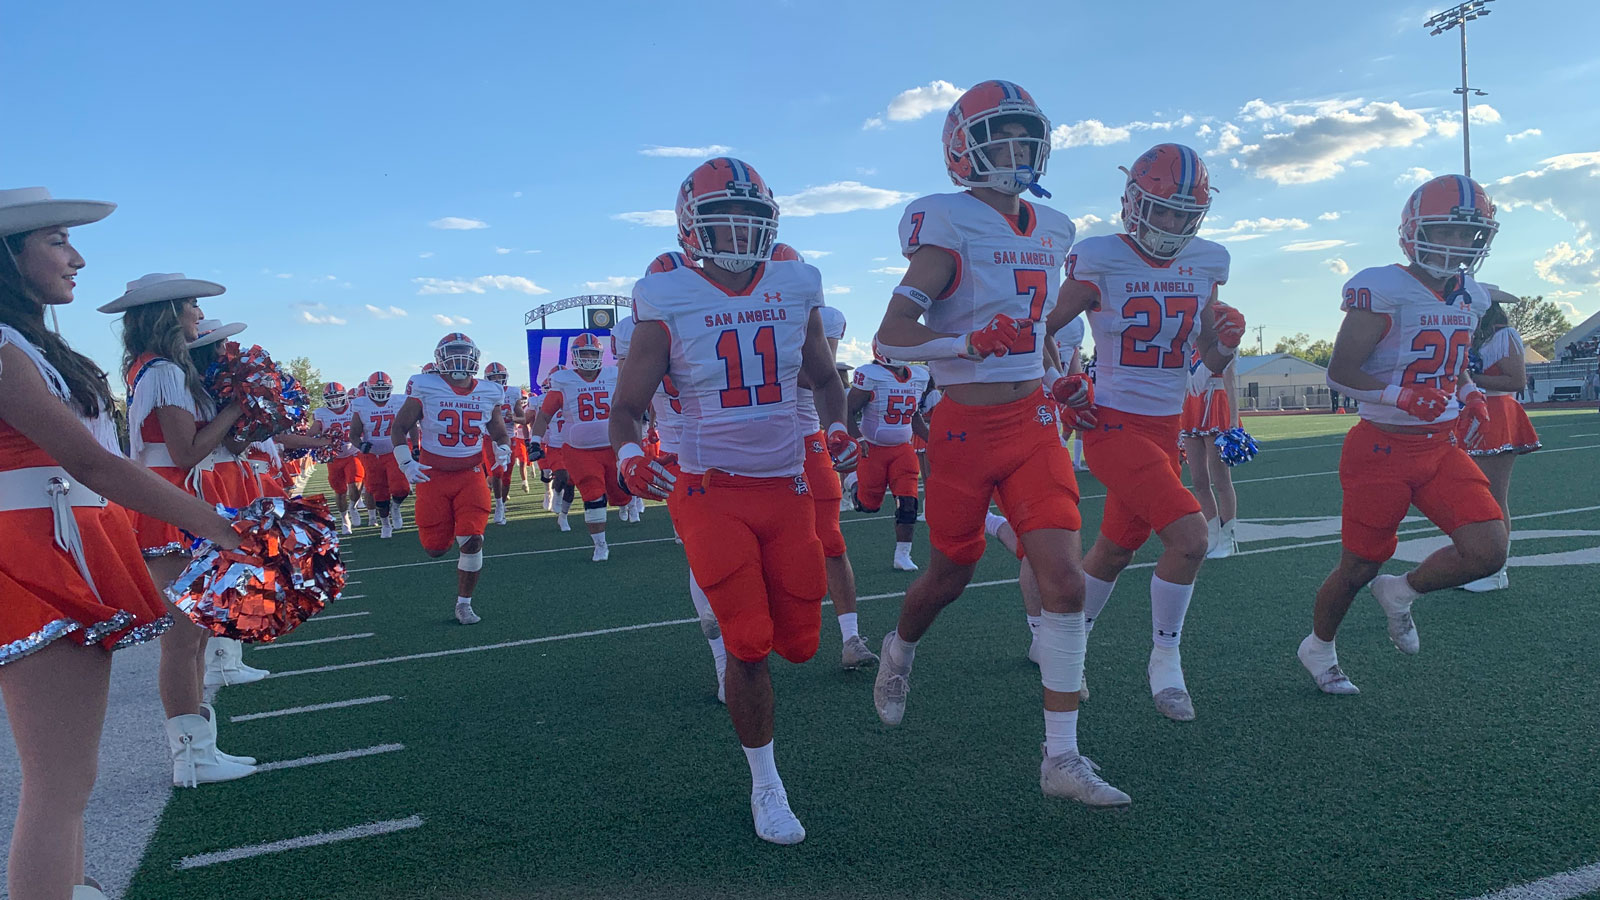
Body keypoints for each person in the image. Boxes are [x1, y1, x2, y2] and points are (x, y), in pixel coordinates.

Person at [870, 81, 1128, 807]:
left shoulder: (1054, 228)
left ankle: (1062, 757)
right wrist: (964, 343)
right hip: (962, 428)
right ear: (964, 150)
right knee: (948, 576)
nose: (1018, 151)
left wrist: (1061, 378)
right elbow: (890, 337)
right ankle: (899, 649)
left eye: (1026, 138)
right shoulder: (948, 224)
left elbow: (1034, 326)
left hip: (1033, 421)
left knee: (1065, 580)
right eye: (1001, 138)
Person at [0, 186, 246, 900]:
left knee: (68, 780)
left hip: (64, 536)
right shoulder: (4, 347)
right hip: (37, 548)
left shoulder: (26, 343)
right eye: (56, 241)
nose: (76, 257)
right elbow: (92, 462)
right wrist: (220, 526)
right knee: (59, 783)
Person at [612, 157, 858, 845]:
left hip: (787, 482)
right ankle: (766, 785)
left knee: (799, 642)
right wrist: (630, 457)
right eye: (724, 218)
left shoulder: (796, 283)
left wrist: (838, 428)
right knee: (749, 642)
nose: (740, 232)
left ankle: (738, 636)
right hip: (708, 485)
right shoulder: (665, 295)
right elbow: (627, 408)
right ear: (692, 227)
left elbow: (826, 379)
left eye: (751, 218)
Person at [1045, 143, 1244, 723]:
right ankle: (1165, 659)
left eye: (1185, 215)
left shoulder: (1206, 261)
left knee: (1114, 549)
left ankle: (1064, 647)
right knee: (1191, 538)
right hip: (1111, 423)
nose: (1173, 224)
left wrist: (1225, 343)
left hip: (1166, 426)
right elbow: (1038, 329)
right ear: (1134, 202)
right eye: (1163, 210)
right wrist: (1061, 384)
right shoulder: (1101, 256)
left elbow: (1207, 357)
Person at [1301, 174, 1507, 694]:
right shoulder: (1384, 288)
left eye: (1467, 234)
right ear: (1415, 231)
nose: (1457, 243)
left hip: (1440, 447)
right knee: (1359, 566)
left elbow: (1452, 365)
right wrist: (1402, 396)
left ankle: (1402, 591)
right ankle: (1319, 646)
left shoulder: (1472, 296)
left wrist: (1469, 393)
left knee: (1488, 549)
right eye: (1446, 231)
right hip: (1381, 448)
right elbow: (1340, 372)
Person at [106, 271, 261, 787]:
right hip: (169, 505)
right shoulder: (165, 371)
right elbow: (186, 452)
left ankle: (201, 748)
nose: (199, 313)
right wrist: (237, 407)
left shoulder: (152, 368)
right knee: (182, 636)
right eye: (191, 304)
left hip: (176, 500)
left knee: (194, 633)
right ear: (169, 313)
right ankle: (190, 757)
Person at [770, 243, 876, 670]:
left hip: (807, 435)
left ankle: (851, 638)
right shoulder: (732, 311)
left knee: (830, 539)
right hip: (758, 441)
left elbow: (821, 375)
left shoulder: (822, 316)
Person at [391, 333, 510, 625]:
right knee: (435, 548)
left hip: (471, 474)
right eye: (453, 352)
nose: (459, 358)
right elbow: (399, 428)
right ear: (440, 358)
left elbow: (498, 430)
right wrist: (406, 462)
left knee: (473, 539)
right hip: (432, 476)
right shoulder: (425, 385)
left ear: (475, 357)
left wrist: (503, 447)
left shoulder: (490, 391)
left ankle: (464, 604)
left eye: (464, 352)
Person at [1455, 290, 1540, 591]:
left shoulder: (1505, 336)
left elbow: (1517, 380)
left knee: (1493, 495)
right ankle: (1477, 562)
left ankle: (1496, 569)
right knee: (1471, 495)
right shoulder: (1468, 335)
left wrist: (1469, 380)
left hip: (1496, 413)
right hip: (1469, 414)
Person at [531, 333, 627, 561]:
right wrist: (535, 441)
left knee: (621, 495)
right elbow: (544, 415)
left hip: (611, 447)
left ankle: (625, 506)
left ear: (600, 355)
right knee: (593, 494)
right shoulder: (564, 381)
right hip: (579, 450)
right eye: (584, 353)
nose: (588, 358)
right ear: (575, 356)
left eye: (592, 353)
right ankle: (600, 545)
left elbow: (628, 405)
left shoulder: (613, 376)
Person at [847, 340, 930, 571]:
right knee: (868, 505)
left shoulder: (919, 376)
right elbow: (848, 410)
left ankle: (902, 555)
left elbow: (913, 415)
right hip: (873, 449)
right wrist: (859, 440)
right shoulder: (871, 375)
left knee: (908, 504)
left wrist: (932, 439)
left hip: (903, 450)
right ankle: (852, 481)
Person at [1181, 350, 1241, 558]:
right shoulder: (1189, 343)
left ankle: (1227, 539)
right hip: (1192, 406)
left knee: (1221, 479)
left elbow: (1230, 380)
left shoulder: (1221, 343)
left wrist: (1233, 420)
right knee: (1199, 480)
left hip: (1216, 405)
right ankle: (1212, 536)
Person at [349, 371, 411, 538]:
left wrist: (414, 445)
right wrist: (360, 445)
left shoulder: (399, 401)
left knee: (402, 488)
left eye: (384, 388)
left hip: (394, 451)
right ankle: (385, 524)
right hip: (372, 455)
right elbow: (353, 434)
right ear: (369, 389)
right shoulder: (361, 405)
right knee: (379, 492)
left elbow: (411, 424)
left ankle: (395, 507)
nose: (381, 391)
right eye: (377, 388)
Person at [309, 382, 364, 534]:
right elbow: (312, 433)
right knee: (340, 492)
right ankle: (345, 518)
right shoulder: (321, 413)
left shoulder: (354, 408)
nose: (334, 400)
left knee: (356, 485)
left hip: (353, 452)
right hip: (334, 458)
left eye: (337, 396)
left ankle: (353, 507)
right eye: (330, 397)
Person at [481, 362, 517, 525]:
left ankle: (501, 504)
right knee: (496, 472)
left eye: (499, 376)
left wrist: (514, 417)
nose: (497, 380)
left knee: (507, 476)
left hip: (510, 437)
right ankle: (498, 506)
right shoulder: (482, 393)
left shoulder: (514, 392)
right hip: (490, 437)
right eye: (493, 377)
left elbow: (523, 418)